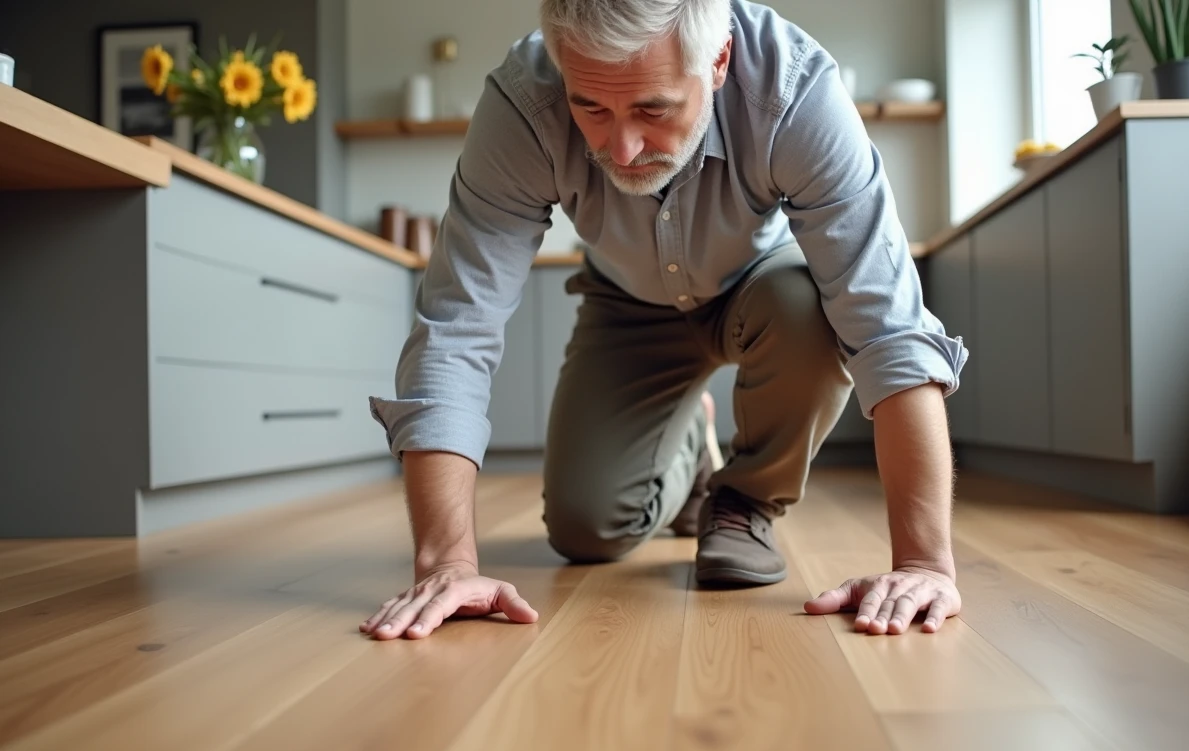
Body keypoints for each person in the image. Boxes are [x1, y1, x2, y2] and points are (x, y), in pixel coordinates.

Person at [361, 0, 967, 641]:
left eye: (653, 108)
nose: (619, 148)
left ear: (719, 62)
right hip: (626, 302)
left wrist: (926, 563)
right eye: (590, 107)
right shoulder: (523, 104)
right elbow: (457, 324)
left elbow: (889, 329)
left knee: (813, 309)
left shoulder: (794, 91)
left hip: (765, 290)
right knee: (586, 530)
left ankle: (743, 499)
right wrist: (448, 563)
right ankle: (689, 451)